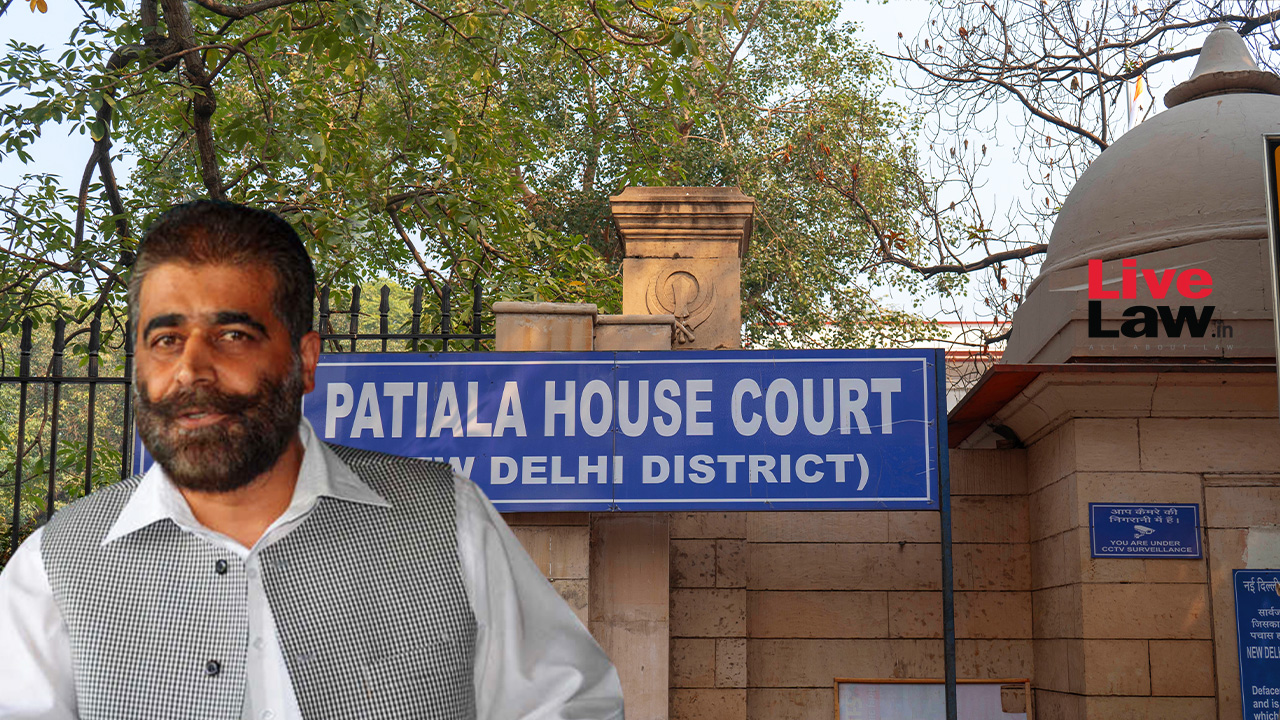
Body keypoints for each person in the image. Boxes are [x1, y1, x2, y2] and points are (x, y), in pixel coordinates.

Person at [0, 200, 624, 720]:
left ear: (305, 360)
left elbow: (570, 704)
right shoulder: (52, 567)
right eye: (165, 339)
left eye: (233, 336)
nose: (191, 369)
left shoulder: (449, 520)